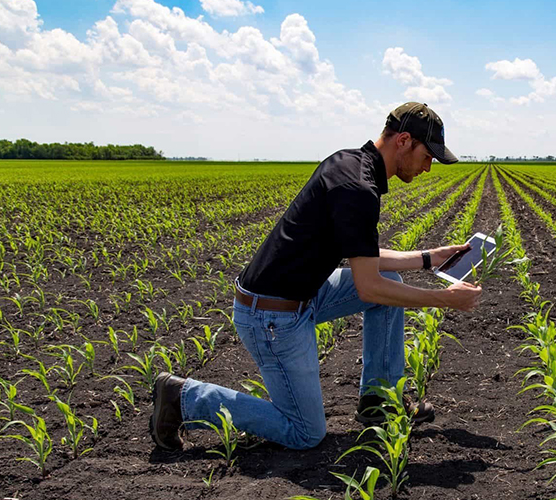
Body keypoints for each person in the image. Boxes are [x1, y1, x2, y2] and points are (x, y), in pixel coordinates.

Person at [150, 102, 482, 451]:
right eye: (428, 155)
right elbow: (369, 285)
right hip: (272, 316)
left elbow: (363, 258)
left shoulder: (349, 162)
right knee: (304, 432)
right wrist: (444, 300)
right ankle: (183, 398)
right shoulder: (358, 189)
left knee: (392, 287)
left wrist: (429, 259)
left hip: (299, 294)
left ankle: (380, 401)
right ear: (403, 140)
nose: (429, 167)